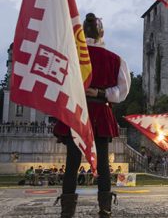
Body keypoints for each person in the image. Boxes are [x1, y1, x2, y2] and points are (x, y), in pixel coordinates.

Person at [53, 13, 131, 217]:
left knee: (72, 164)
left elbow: (60, 84)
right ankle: (105, 212)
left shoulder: (71, 57)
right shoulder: (115, 59)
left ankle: (67, 214)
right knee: (104, 165)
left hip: (76, 112)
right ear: (101, 33)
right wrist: (101, 93)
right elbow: (121, 93)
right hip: (100, 112)